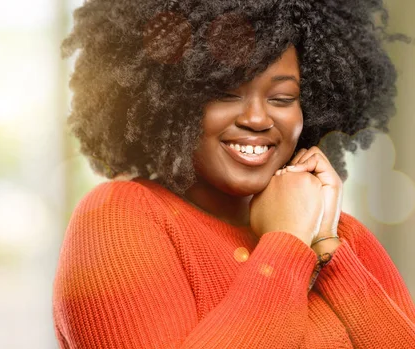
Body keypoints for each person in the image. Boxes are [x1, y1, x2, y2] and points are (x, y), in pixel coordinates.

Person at [53, 0, 415, 347]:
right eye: (225, 94)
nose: (257, 119)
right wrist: (287, 243)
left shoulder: (340, 234)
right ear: (170, 101)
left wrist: (323, 245)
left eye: (283, 98)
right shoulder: (118, 218)